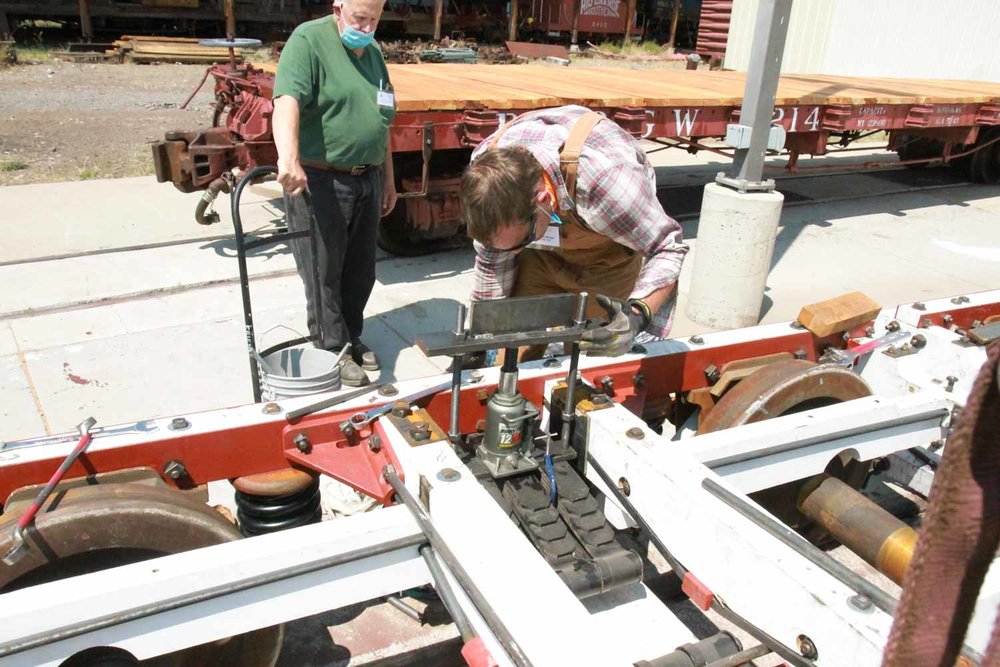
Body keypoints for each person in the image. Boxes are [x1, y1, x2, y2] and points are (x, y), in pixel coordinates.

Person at [461, 105, 688, 359]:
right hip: (540, 260)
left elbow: (668, 247)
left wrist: (636, 316)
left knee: (592, 357)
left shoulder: (606, 181)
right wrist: (482, 335)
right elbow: (492, 261)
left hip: (605, 264)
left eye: (523, 239)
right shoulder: (486, 168)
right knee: (512, 354)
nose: (511, 252)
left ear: (543, 200)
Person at [272, 0, 397, 386]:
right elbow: (286, 101)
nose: (367, 25)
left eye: (374, 18)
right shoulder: (308, 41)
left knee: (361, 271)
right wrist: (288, 158)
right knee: (324, 270)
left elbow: (383, 118)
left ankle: (351, 337)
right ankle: (330, 348)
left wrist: (389, 179)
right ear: (338, 7)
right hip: (323, 179)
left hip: (367, 177)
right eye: (360, 17)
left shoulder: (374, 53)